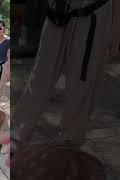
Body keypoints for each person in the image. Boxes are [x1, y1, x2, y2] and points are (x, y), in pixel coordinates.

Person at [12, 0, 120, 150]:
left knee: (81, 82)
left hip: (92, 14)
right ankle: (17, 132)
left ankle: (70, 141)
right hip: (58, 10)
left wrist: (115, 32)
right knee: (40, 75)